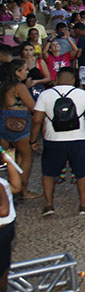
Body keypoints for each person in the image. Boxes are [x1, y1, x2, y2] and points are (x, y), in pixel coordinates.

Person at [29, 67, 85, 217]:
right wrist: (83, 128)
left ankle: (49, 205)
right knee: (82, 173)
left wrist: (33, 139)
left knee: (48, 173)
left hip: (53, 140)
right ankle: (83, 204)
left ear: (56, 79)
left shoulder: (45, 94)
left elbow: (36, 120)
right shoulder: (82, 94)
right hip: (78, 140)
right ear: (73, 80)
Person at [0, 61, 37, 201]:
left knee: (15, 158)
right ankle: (23, 190)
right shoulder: (19, 87)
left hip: (3, 124)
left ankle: (15, 186)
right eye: (24, 70)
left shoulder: (4, 86)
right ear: (17, 72)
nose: (27, 72)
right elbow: (33, 107)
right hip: (18, 125)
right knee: (27, 156)